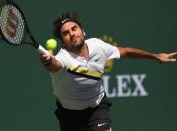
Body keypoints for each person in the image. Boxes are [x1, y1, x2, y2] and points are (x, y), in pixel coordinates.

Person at [39, 11, 177, 131]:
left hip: (97, 107)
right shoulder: (63, 58)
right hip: (69, 115)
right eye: (66, 33)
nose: (72, 34)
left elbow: (125, 52)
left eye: (74, 29)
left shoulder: (98, 46)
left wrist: (155, 56)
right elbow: (54, 65)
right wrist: (48, 60)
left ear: (83, 31)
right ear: (63, 42)